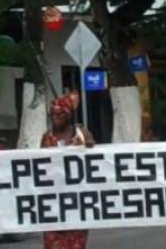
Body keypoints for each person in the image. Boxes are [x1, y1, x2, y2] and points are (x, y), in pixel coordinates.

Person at [41, 92, 94, 249]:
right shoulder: (46, 137)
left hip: (77, 203)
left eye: (60, 114)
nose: (55, 117)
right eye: (53, 114)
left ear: (69, 115)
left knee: (76, 244)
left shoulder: (81, 133)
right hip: (53, 203)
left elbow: (96, 157)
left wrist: (89, 144)